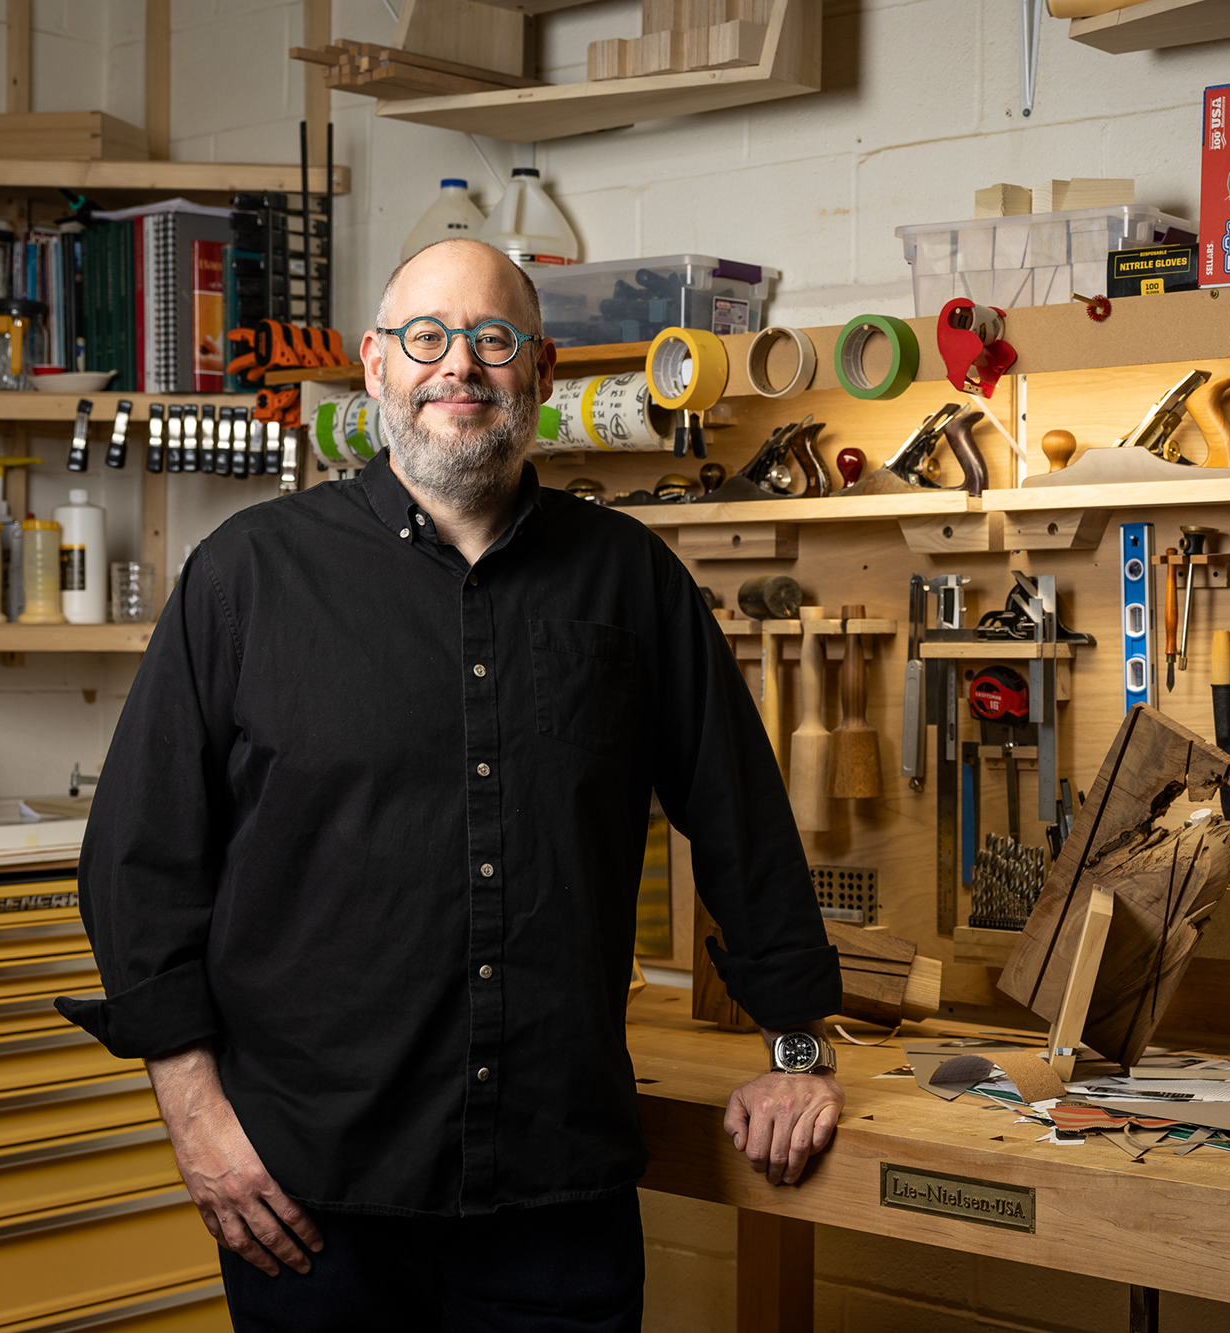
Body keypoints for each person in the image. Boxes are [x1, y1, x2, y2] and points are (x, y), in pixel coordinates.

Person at [61, 238, 845, 1330]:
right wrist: (197, 1123)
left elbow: (741, 819)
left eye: (492, 340)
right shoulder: (247, 577)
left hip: (552, 1192)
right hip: (306, 1199)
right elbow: (140, 862)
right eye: (426, 338)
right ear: (377, 366)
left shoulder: (630, 581)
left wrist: (796, 1047)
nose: (458, 367)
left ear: (542, 371)